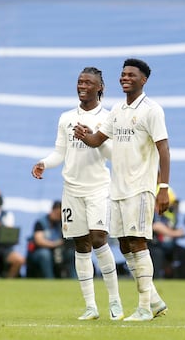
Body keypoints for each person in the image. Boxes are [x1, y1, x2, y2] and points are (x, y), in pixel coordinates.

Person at [74, 58, 170, 321]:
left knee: (138, 242)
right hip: (117, 188)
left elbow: (163, 148)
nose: (125, 78)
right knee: (125, 244)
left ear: (143, 80)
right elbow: (98, 140)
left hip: (140, 188)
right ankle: (154, 299)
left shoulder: (152, 110)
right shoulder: (117, 110)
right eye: (123, 74)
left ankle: (143, 308)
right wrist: (85, 134)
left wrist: (164, 187)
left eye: (131, 74)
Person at [32, 67, 124, 321]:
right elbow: (60, 153)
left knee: (98, 238)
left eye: (88, 82)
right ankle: (91, 306)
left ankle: (115, 301)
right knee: (81, 244)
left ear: (99, 88)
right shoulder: (65, 118)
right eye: (80, 81)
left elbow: (114, 156)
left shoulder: (108, 118)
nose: (82, 85)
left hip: (98, 188)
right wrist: (44, 163)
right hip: (71, 189)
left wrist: (92, 138)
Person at [26, 200, 75, 278]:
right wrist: (55, 244)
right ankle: (50, 279)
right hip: (41, 251)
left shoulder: (61, 224)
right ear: (53, 211)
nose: (58, 216)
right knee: (45, 254)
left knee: (71, 253)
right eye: (57, 214)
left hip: (58, 251)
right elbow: (39, 241)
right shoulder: (41, 223)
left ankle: (74, 280)